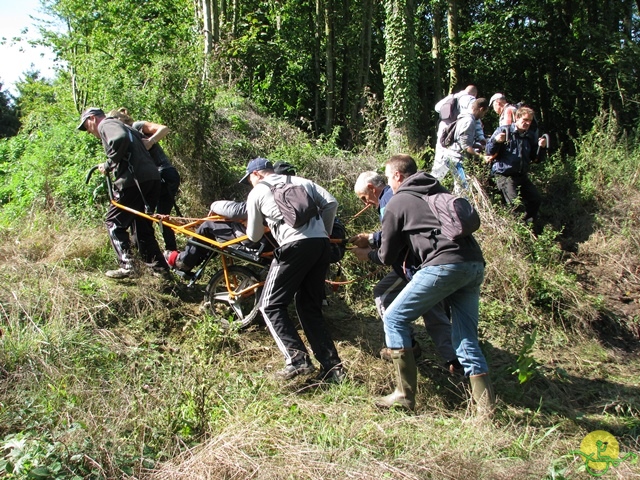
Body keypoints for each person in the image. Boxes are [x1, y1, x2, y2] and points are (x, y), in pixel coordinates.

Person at [353, 154, 493, 415]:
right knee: (466, 338)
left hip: (443, 265)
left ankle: (404, 395)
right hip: (473, 263)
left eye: (389, 176)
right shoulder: (435, 190)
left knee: (394, 318)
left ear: (397, 176)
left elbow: (387, 255)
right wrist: (373, 239)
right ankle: (486, 410)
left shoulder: (398, 201)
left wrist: (367, 255)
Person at [241, 157, 345, 383]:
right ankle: (333, 369)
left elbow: (254, 236)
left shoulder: (257, 192)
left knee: (269, 305)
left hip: (294, 246)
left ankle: (298, 361)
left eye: (249, 178)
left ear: (257, 174)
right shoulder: (302, 181)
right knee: (309, 307)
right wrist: (324, 233)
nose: (250, 183)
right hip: (320, 246)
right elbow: (331, 203)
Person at [351, 170, 461, 372]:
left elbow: (391, 240)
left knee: (383, 294)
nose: (365, 204)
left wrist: (369, 251)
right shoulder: (400, 197)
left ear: (371, 188)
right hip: (430, 261)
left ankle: (405, 346)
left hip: (414, 266)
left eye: (364, 198)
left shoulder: (388, 201)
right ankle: (454, 360)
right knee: (433, 312)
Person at [77, 107, 170, 279]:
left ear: (92, 118)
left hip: (133, 181)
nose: (89, 132)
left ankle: (128, 265)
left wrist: (108, 164)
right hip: (151, 178)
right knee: (141, 227)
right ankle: (161, 271)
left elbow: (118, 140)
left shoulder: (106, 124)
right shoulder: (127, 126)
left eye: (87, 126)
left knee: (113, 222)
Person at [108, 108, 181, 252]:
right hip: (152, 179)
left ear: (121, 119)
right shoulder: (124, 136)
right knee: (145, 217)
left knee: (160, 216)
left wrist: (150, 141)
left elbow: (164, 129)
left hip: (164, 174)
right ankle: (149, 251)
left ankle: (171, 251)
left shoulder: (136, 127)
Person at [164, 200, 276, 273]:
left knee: (207, 226)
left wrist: (214, 205)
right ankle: (193, 259)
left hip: (254, 240)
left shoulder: (265, 196)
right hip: (273, 244)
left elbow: (237, 211)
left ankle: (184, 261)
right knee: (219, 229)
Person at [485, 106, 547, 225]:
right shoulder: (504, 131)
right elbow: (489, 152)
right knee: (514, 205)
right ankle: (517, 231)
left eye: (529, 121)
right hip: (504, 174)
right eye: (525, 120)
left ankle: (528, 227)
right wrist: (496, 141)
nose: (527, 123)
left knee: (535, 199)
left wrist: (541, 147)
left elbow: (536, 158)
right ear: (517, 118)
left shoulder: (529, 136)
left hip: (521, 175)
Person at [432, 85, 486, 180]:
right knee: (458, 167)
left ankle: (430, 185)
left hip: (445, 131)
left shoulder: (452, 97)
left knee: (439, 164)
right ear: (474, 94)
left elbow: (437, 108)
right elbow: (475, 119)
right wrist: (481, 138)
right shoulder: (470, 101)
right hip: (458, 135)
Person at [440, 98, 490, 195]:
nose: (483, 116)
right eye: (484, 112)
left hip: (452, 156)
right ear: (481, 109)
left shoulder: (465, 117)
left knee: (459, 186)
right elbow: (466, 147)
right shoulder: (468, 122)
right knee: (464, 188)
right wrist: (482, 156)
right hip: (455, 158)